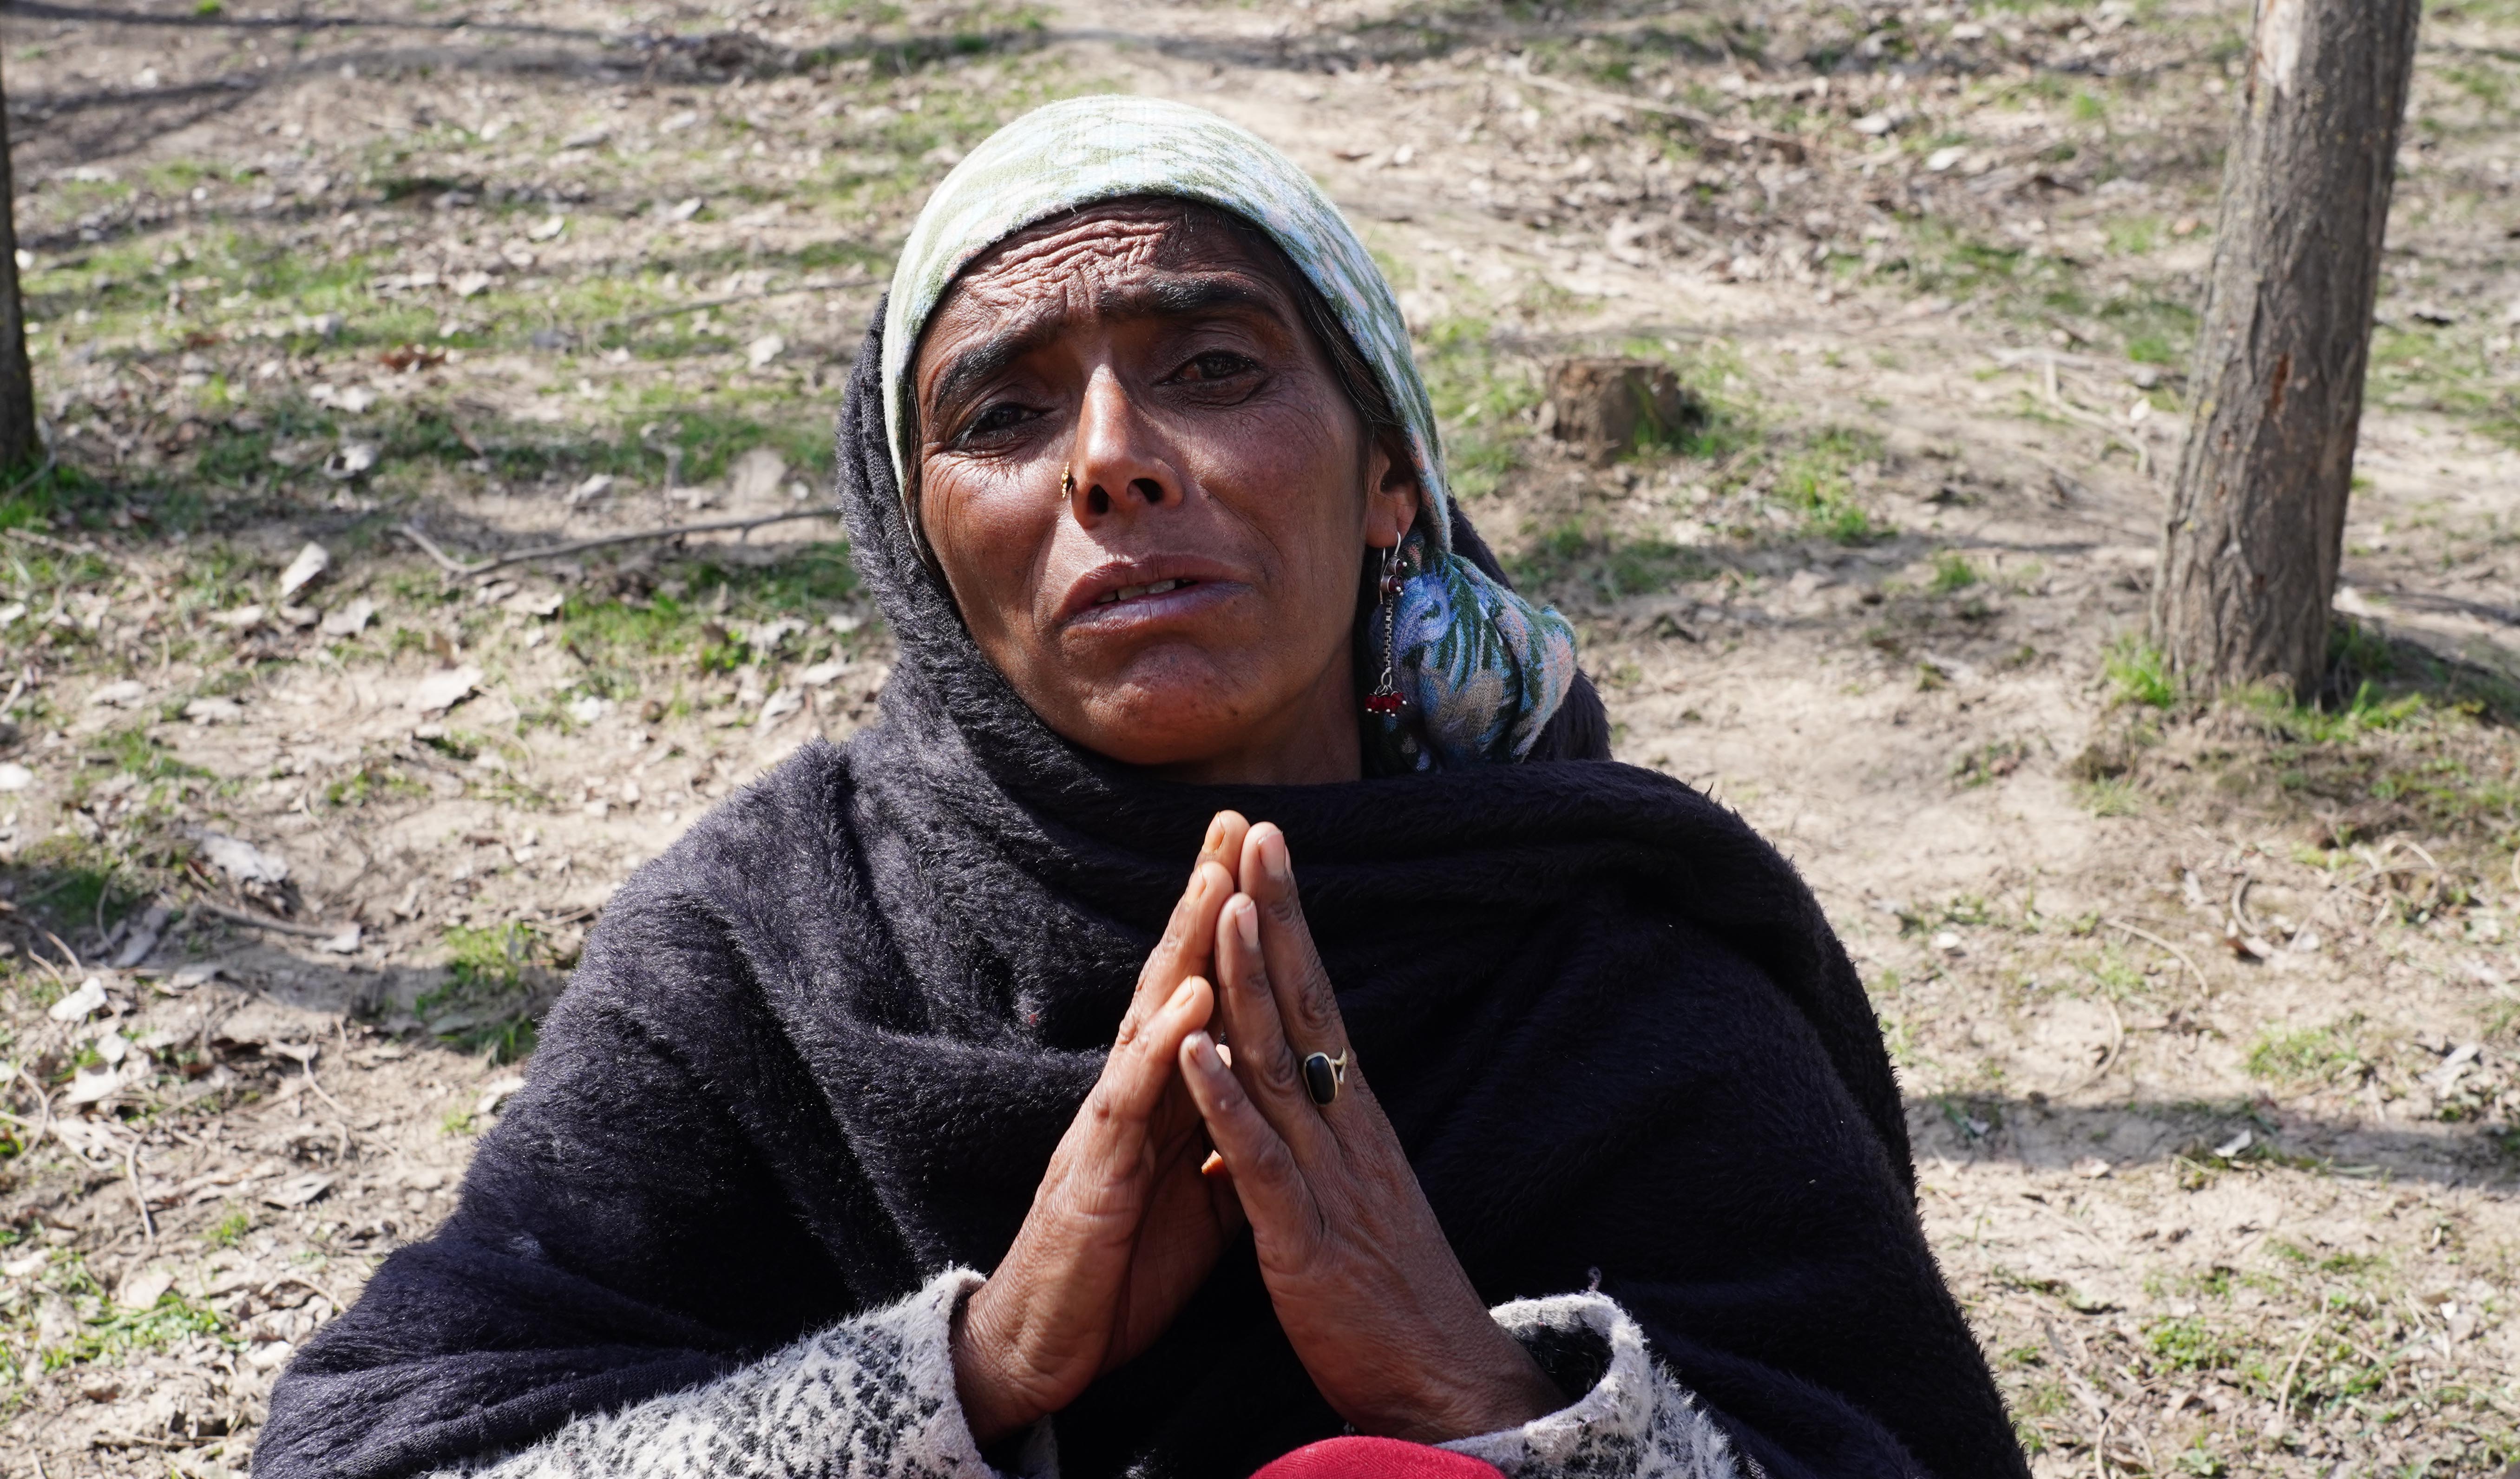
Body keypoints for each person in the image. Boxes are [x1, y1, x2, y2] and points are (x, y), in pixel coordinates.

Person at [256, 96, 2027, 1479]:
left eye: (1212, 368)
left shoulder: (1615, 972)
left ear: (1389, 472)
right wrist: (970, 1370)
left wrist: (1481, 1394)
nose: (1110, 460)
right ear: (922, 546)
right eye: (1003, 416)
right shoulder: (772, 960)